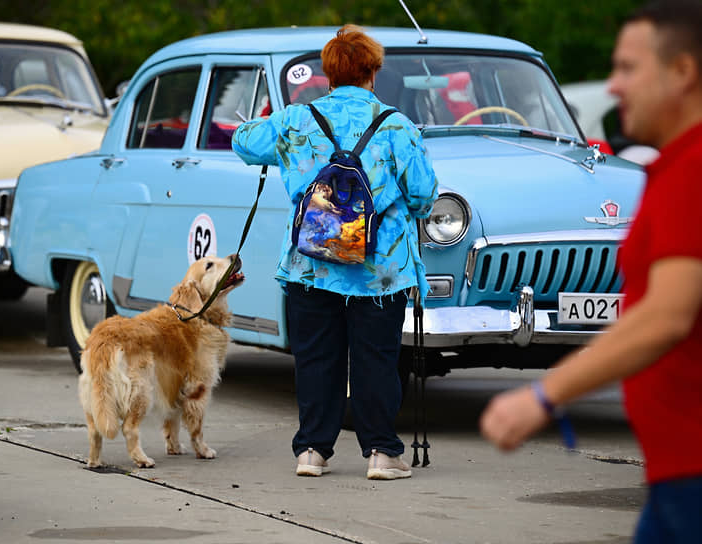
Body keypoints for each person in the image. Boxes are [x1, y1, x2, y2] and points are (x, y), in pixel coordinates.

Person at [480, 0, 702, 541]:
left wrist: (542, 396)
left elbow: (666, 316)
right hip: (675, 470)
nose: (614, 85)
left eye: (629, 68)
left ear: (682, 72)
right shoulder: (672, 166)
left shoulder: (692, 169)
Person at [232, 24, 437, 480]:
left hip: (311, 266)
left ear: (327, 73)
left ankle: (312, 452)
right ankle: (382, 454)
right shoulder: (397, 126)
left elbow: (243, 142)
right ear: (372, 71)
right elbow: (423, 196)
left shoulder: (295, 120)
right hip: (381, 272)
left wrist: (269, 115)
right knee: (376, 360)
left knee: (316, 359)